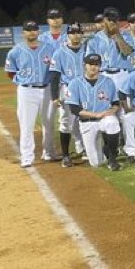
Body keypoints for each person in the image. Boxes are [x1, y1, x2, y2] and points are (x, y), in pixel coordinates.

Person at [5, 20, 58, 167]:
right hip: (27, 90)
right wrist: (21, 81)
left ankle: (49, 152)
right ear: (23, 33)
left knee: (49, 123)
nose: (31, 32)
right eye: (28, 30)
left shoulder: (50, 49)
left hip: (47, 89)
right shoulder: (15, 51)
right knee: (27, 125)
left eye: (34, 29)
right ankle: (27, 157)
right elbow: (10, 72)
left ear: (38, 32)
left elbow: (55, 70)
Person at [64, 53, 122, 171]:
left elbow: (116, 103)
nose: (93, 67)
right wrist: (96, 114)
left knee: (113, 122)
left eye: (96, 64)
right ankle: (106, 150)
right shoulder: (75, 83)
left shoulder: (108, 81)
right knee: (96, 163)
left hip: (104, 119)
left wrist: (111, 111)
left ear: (100, 66)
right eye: (90, 64)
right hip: (87, 122)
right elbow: (74, 109)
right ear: (84, 65)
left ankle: (112, 158)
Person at [48, 23, 86, 166]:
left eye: (78, 32)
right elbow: (54, 75)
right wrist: (54, 96)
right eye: (73, 32)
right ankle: (65, 155)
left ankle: (85, 150)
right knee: (66, 122)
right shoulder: (60, 52)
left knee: (84, 119)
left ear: (82, 34)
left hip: (85, 88)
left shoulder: (87, 49)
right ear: (68, 35)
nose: (76, 35)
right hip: (68, 88)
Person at [86, 7, 135, 90]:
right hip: (102, 74)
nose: (112, 22)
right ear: (104, 20)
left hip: (122, 75)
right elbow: (89, 61)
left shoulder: (126, 35)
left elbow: (127, 52)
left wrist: (117, 35)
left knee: (124, 102)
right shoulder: (95, 38)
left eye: (114, 20)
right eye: (109, 20)